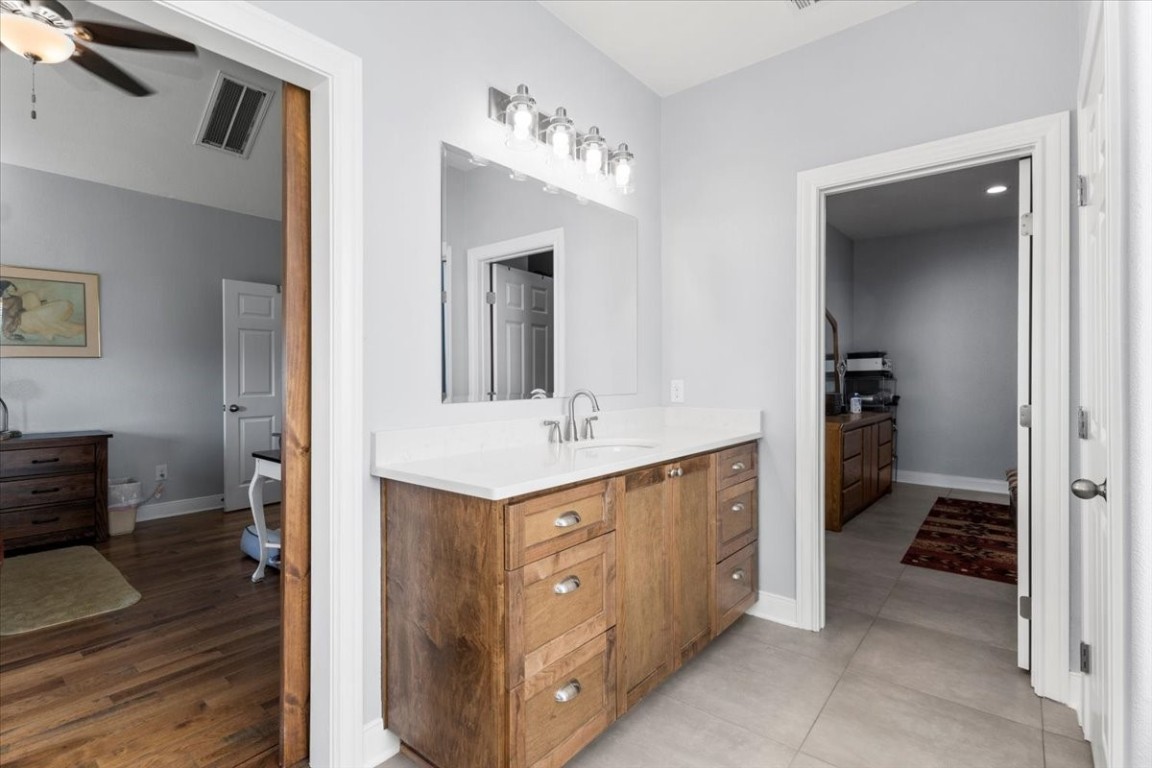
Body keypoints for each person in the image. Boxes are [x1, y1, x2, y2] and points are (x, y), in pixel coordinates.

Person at [0, 280, 85, 342]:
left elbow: (17, 310)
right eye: (10, 287)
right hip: (23, 321)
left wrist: (39, 305)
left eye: (12, 286)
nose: (14, 288)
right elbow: (9, 317)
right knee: (63, 307)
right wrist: (7, 333)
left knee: (31, 296)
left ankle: (50, 326)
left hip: (26, 317)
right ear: (5, 290)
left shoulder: (15, 299)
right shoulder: (8, 302)